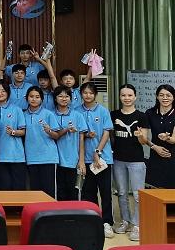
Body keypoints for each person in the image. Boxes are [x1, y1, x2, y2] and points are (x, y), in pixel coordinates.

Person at [75, 82, 115, 238]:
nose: (88, 95)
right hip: (84, 159)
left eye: (91, 93)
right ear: (81, 94)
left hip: (103, 159)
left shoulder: (103, 111)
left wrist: (98, 151)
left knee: (105, 192)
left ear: (95, 94)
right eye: (85, 92)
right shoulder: (76, 111)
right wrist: (86, 135)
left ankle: (107, 223)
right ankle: (93, 220)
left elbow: (106, 133)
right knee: (88, 192)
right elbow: (78, 134)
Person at [111, 84, 149, 241]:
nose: (126, 98)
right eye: (123, 95)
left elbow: (144, 141)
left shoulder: (142, 116)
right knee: (121, 193)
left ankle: (137, 225)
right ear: (120, 97)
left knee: (138, 195)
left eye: (129, 95)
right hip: (118, 160)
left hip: (136, 161)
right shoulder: (113, 114)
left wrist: (140, 136)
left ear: (135, 97)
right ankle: (125, 221)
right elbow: (110, 136)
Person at [23, 86, 60, 199]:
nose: (34, 99)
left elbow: (57, 135)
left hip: (48, 157)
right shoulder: (23, 115)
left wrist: (49, 131)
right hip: (31, 157)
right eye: (31, 96)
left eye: (37, 97)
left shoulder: (48, 114)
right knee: (35, 192)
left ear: (42, 99)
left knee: (49, 191)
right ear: (27, 98)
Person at [53, 86, 87, 201]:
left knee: (73, 193)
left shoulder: (77, 115)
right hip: (56, 161)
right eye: (60, 96)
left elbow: (81, 139)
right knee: (59, 193)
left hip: (73, 161)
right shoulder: (50, 115)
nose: (64, 98)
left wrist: (81, 161)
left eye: (67, 96)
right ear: (55, 98)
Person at [0, 81, 27, 190]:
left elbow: (23, 131)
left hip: (16, 156)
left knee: (18, 189)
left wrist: (13, 132)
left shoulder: (16, 109)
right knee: (4, 189)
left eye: (3, 91)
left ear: (8, 93)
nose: (0, 93)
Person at [145, 84, 175, 188]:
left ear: (173, 97)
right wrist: (154, 147)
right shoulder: (150, 113)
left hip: (172, 158)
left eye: (168, 95)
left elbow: (174, 139)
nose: (165, 98)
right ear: (157, 97)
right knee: (155, 191)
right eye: (161, 95)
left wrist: (167, 138)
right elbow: (144, 137)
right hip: (155, 157)